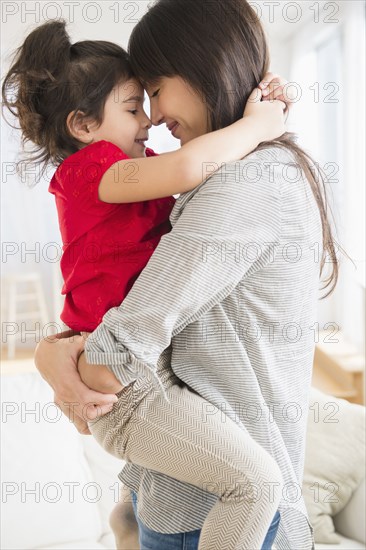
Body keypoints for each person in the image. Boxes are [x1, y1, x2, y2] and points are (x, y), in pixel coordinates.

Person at [32, 0, 339, 547]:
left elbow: (118, 351)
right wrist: (58, 349)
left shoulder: (246, 182)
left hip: (213, 506)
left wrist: (72, 358)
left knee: (254, 485)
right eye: (138, 100)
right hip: (183, 495)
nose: (152, 115)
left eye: (154, 89)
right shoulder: (127, 172)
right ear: (82, 124)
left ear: (204, 67)